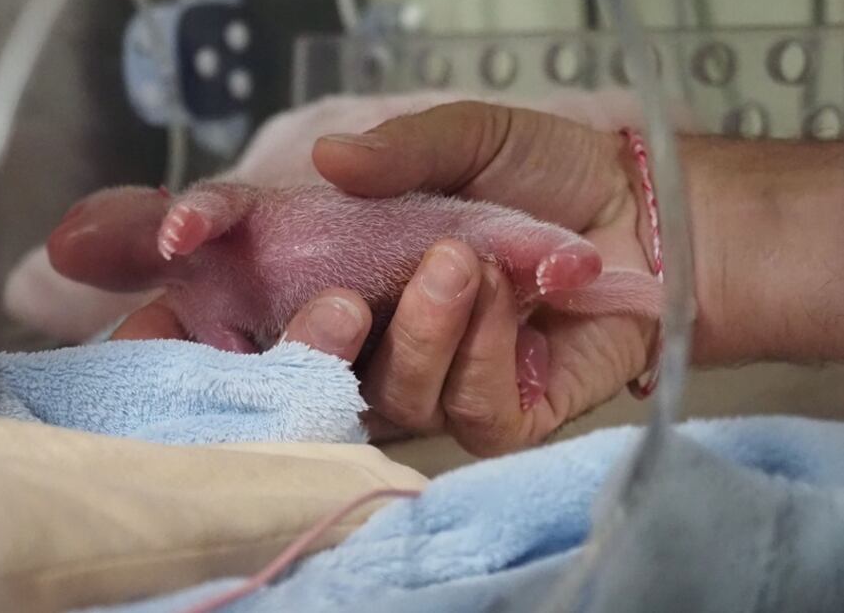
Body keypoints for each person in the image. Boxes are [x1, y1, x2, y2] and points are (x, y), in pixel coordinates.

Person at [52, 101, 844, 456]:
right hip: (402, 291)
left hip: (424, 223)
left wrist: (191, 220)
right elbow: (231, 355)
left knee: (485, 232)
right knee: (470, 307)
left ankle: (571, 262)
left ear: (157, 198)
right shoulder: (194, 304)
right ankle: (584, 304)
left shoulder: (211, 206)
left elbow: (218, 203)